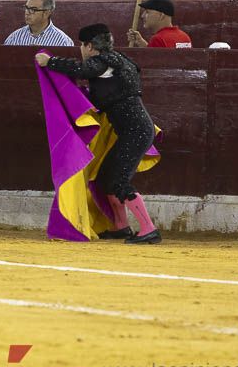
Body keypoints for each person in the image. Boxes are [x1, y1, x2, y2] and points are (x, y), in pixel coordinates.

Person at [35, 23, 161, 244]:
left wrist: (50, 62)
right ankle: (121, 227)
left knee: (119, 180)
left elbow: (81, 70)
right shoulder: (118, 60)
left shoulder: (103, 62)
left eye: (82, 46)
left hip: (136, 132)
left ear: (90, 46)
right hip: (134, 130)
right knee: (105, 179)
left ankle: (148, 229)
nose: (81, 51)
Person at [4, 0, 73, 46]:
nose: (27, 12)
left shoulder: (62, 41)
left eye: (33, 9)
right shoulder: (14, 38)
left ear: (46, 13)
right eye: (26, 8)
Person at [126, 0, 191, 48]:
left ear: (161, 15)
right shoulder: (184, 37)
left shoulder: (158, 39)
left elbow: (151, 61)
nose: (142, 16)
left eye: (147, 12)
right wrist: (140, 42)